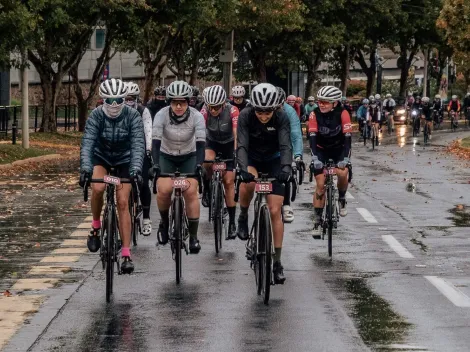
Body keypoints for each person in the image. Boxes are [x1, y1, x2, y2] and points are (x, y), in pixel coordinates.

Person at [79, 78, 145, 274]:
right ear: (103, 100)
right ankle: (96, 226)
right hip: (102, 157)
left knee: (123, 202)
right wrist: (85, 169)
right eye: (110, 100)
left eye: (118, 100)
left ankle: (126, 254)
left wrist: (135, 170)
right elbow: (88, 144)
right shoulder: (96, 116)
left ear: (125, 99)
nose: (114, 105)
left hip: (124, 160)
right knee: (98, 187)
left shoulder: (133, 116)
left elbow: (138, 144)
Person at [236, 83, 292, 284]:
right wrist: (242, 169)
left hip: (274, 158)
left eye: (267, 112)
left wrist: (286, 168)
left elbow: (286, 145)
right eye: (259, 111)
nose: (263, 115)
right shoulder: (245, 115)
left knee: (275, 210)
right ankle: (242, 215)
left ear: (275, 108)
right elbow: (241, 145)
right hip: (251, 158)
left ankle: (277, 262)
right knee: (247, 183)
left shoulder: (282, 117)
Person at [151, 81, 206, 254]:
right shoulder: (161, 115)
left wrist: (198, 165)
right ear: (170, 103)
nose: (179, 106)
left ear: (189, 101)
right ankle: (165, 224)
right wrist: (155, 165)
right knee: (164, 189)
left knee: (190, 192)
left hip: (188, 156)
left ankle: (194, 236)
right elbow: (155, 143)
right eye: (175, 102)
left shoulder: (197, 116)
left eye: (183, 102)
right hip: (166, 155)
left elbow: (201, 144)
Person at [308, 86, 352, 228]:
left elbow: (347, 138)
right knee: (320, 184)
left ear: (334, 103)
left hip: (339, 149)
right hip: (321, 149)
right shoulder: (314, 114)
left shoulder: (343, 113)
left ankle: (342, 197)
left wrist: (345, 159)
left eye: (325, 102)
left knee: (343, 172)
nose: (321, 104)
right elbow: (312, 137)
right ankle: (317, 218)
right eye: (320, 101)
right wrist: (315, 158)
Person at [200, 85, 239, 239]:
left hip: (229, 143)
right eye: (211, 107)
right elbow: (200, 133)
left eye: (217, 107)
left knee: (229, 182)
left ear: (223, 104)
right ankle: (208, 188)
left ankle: (232, 223)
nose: (213, 110)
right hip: (212, 142)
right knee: (207, 160)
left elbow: (237, 133)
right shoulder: (204, 111)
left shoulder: (233, 110)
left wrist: (236, 153)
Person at [125, 82, 154, 236]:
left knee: (143, 183)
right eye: (126, 98)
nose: (129, 101)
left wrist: (148, 149)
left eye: (132, 99)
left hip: (141, 149)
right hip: (124, 151)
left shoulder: (143, 111)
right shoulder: (120, 111)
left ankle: (147, 219)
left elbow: (148, 131)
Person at [276, 87, 303, 223]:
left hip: (284, 144)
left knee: (286, 171)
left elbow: (296, 135)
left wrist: (297, 155)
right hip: (264, 144)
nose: (278, 108)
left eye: (281, 105)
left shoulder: (290, 111)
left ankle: (286, 205)